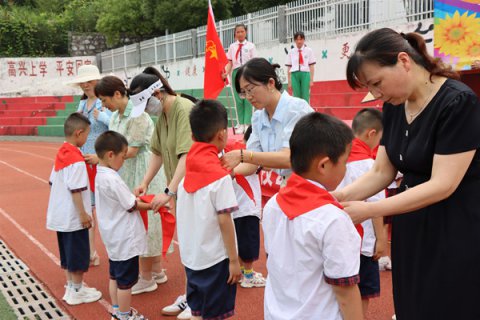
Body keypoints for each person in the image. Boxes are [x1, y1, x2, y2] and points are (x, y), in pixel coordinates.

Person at [337, 28, 480, 320]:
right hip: (412, 225)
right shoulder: (394, 105)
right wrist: (334, 197)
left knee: (451, 305)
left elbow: (443, 184)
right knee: (411, 304)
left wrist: (369, 209)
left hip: (455, 226)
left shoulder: (458, 102)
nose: (376, 94)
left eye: (377, 83)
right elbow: (381, 171)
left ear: (404, 60)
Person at [262, 112, 363, 320]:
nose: (346, 169)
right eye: (344, 162)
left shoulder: (273, 205)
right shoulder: (333, 219)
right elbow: (345, 291)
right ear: (324, 165)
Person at [130, 67, 196, 320]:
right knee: (188, 245)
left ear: (156, 93)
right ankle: (192, 295)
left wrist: (168, 191)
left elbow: (187, 155)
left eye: (146, 106)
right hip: (182, 190)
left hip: (195, 189)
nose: (147, 112)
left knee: (196, 246)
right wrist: (146, 182)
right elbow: (157, 151)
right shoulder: (164, 116)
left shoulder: (182, 109)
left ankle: (198, 299)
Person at [94, 76, 167, 296]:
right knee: (146, 220)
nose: (104, 106)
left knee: (146, 222)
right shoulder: (116, 116)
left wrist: (101, 159)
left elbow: (131, 150)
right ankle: (156, 270)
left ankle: (146, 278)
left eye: (105, 100)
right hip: (126, 169)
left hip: (142, 170)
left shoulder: (138, 116)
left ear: (118, 94)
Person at [176, 99, 241, 320]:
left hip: (192, 257)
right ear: (222, 134)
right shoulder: (219, 177)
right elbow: (224, 220)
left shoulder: (187, 169)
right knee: (216, 314)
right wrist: (233, 260)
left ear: (193, 136)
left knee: (197, 312)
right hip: (215, 259)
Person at [221, 57, 314, 182]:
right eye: (243, 92)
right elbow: (252, 164)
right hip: (289, 183)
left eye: (250, 89)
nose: (248, 97)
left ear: (271, 83)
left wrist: (242, 155)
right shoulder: (258, 118)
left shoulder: (297, 110)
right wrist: (223, 173)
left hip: (311, 182)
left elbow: (289, 157)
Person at [46, 113, 102, 306]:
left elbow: (52, 181)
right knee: (78, 253)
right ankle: (77, 291)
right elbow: (76, 190)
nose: (87, 138)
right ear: (79, 133)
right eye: (87, 134)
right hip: (73, 217)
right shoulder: (76, 160)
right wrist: (83, 215)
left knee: (68, 253)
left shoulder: (62, 152)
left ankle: (72, 286)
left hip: (61, 216)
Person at [94, 131, 151, 320]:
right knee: (126, 282)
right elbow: (131, 205)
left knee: (114, 276)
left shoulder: (101, 175)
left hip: (113, 237)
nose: (124, 161)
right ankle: (125, 316)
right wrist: (153, 205)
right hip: (124, 238)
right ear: (111, 155)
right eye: (123, 156)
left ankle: (117, 310)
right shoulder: (112, 178)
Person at [335, 108, 386, 317]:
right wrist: (381, 240)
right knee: (364, 290)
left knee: (340, 287)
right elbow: (376, 206)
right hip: (363, 240)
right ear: (371, 133)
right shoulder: (370, 166)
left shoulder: (337, 159)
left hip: (339, 238)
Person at [67, 64, 112, 267]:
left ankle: (114, 251)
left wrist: (101, 116)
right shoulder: (82, 106)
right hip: (84, 161)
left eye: (89, 81)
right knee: (89, 207)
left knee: (107, 208)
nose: (85, 85)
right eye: (83, 82)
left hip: (102, 159)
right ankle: (92, 252)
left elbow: (116, 126)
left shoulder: (104, 104)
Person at [229, 125, 265, 288]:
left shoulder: (234, 152)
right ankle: (249, 275)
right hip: (247, 208)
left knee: (240, 241)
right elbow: (250, 168)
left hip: (235, 207)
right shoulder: (252, 156)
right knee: (248, 243)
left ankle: (244, 271)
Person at [223, 23, 257, 134]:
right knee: (238, 99)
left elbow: (254, 61)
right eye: (238, 32)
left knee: (248, 97)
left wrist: (253, 74)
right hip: (236, 72)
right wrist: (226, 72)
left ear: (246, 32)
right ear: (235, 34)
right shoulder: (232, 47)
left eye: (242, 31)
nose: (240, 33)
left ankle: (248, 123)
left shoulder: (251, 46)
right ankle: (241, 124)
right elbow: (230, 62)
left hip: (247, 72)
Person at [285, 31, 316, 103]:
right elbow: (289, 67)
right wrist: (289, 81)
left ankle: (307, 113)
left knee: (305, 95)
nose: (299, 42)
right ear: (295, 40)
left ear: (304, 40)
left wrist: (311, 80)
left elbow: (311, 66)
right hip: (294, 75)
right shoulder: (291, 52)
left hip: (305, 74)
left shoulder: (309, 50)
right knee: (296, 96)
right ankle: (298, 113)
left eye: (301, 39)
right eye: (297, 39)